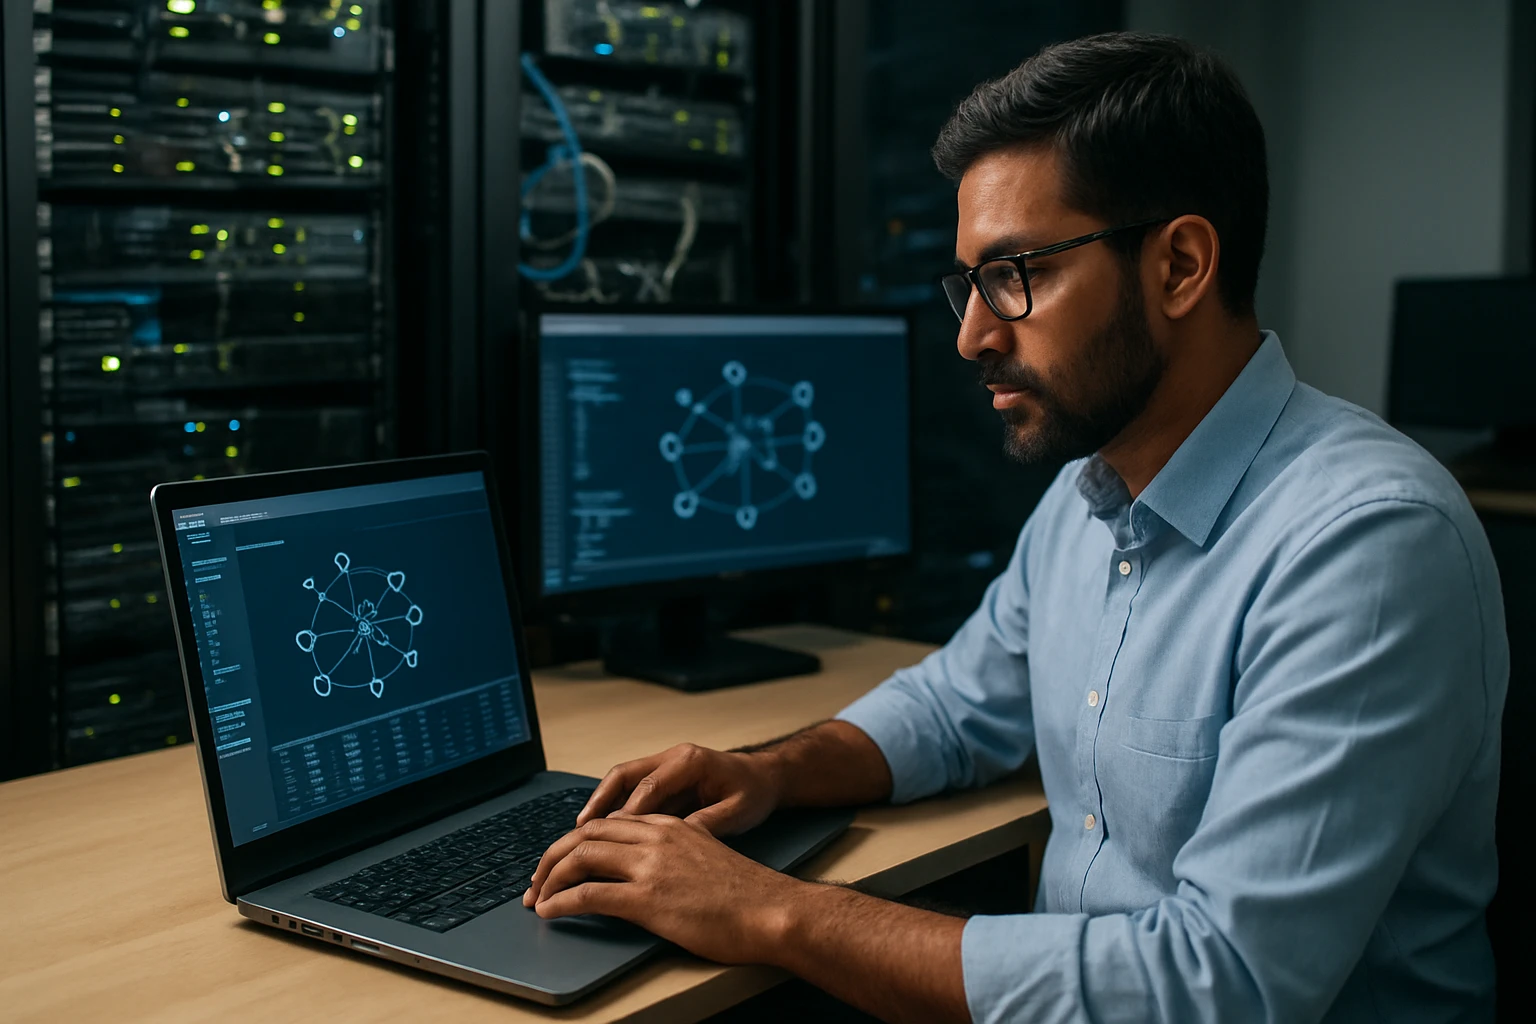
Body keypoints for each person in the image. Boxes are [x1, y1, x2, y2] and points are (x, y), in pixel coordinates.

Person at [522, 31, 1507, 1024]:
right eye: (969, 283)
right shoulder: (1093, 489)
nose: (972, 335)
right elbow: (956, 706)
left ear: (1179, 265)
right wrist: (768, 773)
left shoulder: (1367, 546)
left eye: (1015, 275)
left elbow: (1219, 989)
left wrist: (769, 910)